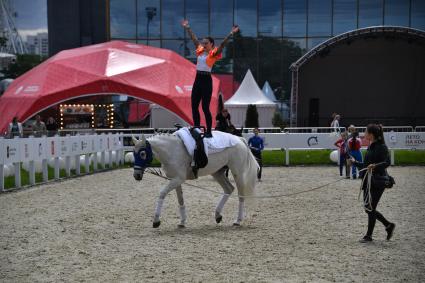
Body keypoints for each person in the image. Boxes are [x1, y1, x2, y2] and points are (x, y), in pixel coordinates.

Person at [182, 19, 239, 138]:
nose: (203, 44)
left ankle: (208, 131)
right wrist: (188, 27)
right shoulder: (200, 51)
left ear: (212, 44)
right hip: (198, 79)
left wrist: (231, 33)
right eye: (203, 43)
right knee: (194, 105)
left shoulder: (213, 53)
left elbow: (223, 44)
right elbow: (194, 39)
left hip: (206, 81)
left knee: (205, 108)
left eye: (206, 43)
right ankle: (197, 128)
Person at [350, 124, 395, 243]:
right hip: (368, 180)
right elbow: (366, 166)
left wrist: (375, 166)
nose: (364, 133)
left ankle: (369, 236)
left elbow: (387, 162)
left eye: (365, 131)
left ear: (371, 134)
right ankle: (388, 225)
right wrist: (355, 162)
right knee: (368, 208)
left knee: (370, 208)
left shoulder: (382, 147)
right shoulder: (371, 146)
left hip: (378, 181)